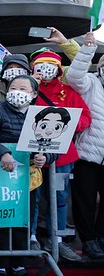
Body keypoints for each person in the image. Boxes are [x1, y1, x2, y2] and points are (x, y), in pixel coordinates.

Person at [0, 75, 54, 276]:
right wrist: (3, 153)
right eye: (13, 87)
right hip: (0, 176)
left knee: (23, 221)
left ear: (34, 94)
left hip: (29, 179)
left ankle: (18, 266)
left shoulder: (43, 116)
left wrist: (46, 158)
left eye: (23, 88)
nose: (17, 91)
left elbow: (53, 145)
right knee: (2, 220)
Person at [30, 48, 90, 259]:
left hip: (62, 155)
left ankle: (57, 239)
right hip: (32, 155)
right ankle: (32, 237)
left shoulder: (68, 91)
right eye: (40, 65)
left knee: (59, 196)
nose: (45, 70)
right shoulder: (27, 89)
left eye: (50, 66)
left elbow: (85, 119)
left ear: (58, 70)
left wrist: (70, 125)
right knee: (32, 196)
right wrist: (31, 87)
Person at [63, 31, 104, 260]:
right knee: (84, 200)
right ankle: (88, 240)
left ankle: (101, 236)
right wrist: (87, 49)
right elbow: (75, 76)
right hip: (88, 154)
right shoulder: (90, 83)